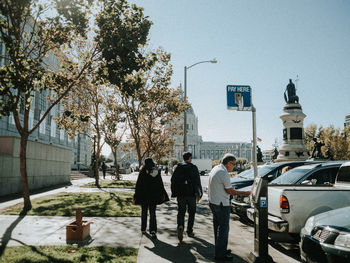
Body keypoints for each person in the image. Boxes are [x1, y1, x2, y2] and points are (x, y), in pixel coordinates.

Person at [208, 153, 251, 261]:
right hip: (222, 204)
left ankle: (220, 249)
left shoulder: (216, 168)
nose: (234, 166)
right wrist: (247, 192)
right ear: (228, 163)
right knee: (223, 229)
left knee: (217, 227)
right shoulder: (223, 172)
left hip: (214, 202)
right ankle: (220, 255)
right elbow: (230, 191)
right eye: (233, 164)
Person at [133, 158, 169, 239]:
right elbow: (160, 183)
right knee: (152, 213)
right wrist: (162, 193)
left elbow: (138, 184)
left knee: (144, 212)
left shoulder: (142, 171)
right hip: (153, 196)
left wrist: (135, 196)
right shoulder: (155, 171)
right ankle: (153, 230)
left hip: (143, 196)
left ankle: (143, 229)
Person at [171, 152, 202, 242]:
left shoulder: (178, 167)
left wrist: (174, 192)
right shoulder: (193, 167)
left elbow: (173, 180)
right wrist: (199, 193)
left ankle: (180, 225)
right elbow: (197, 181)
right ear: (190, 158)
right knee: (191, 213)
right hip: (191, 194)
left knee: (181, 212)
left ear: (183, 158)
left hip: (181, 194)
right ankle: (189, 230)